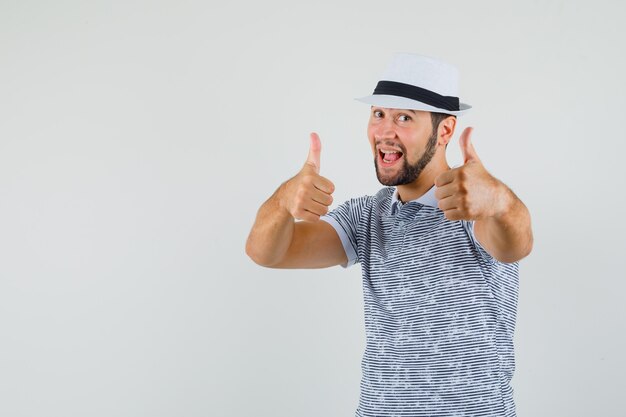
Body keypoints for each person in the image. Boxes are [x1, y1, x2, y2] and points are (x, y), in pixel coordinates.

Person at [246, 53, 533, 417]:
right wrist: (283, 201)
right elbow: (266, 252)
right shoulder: (367, 216)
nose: (384, 131)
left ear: (444, 131)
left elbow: (516, 244)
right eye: (378, 114)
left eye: (404, 118)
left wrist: (500, 201)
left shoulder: (474, 207)